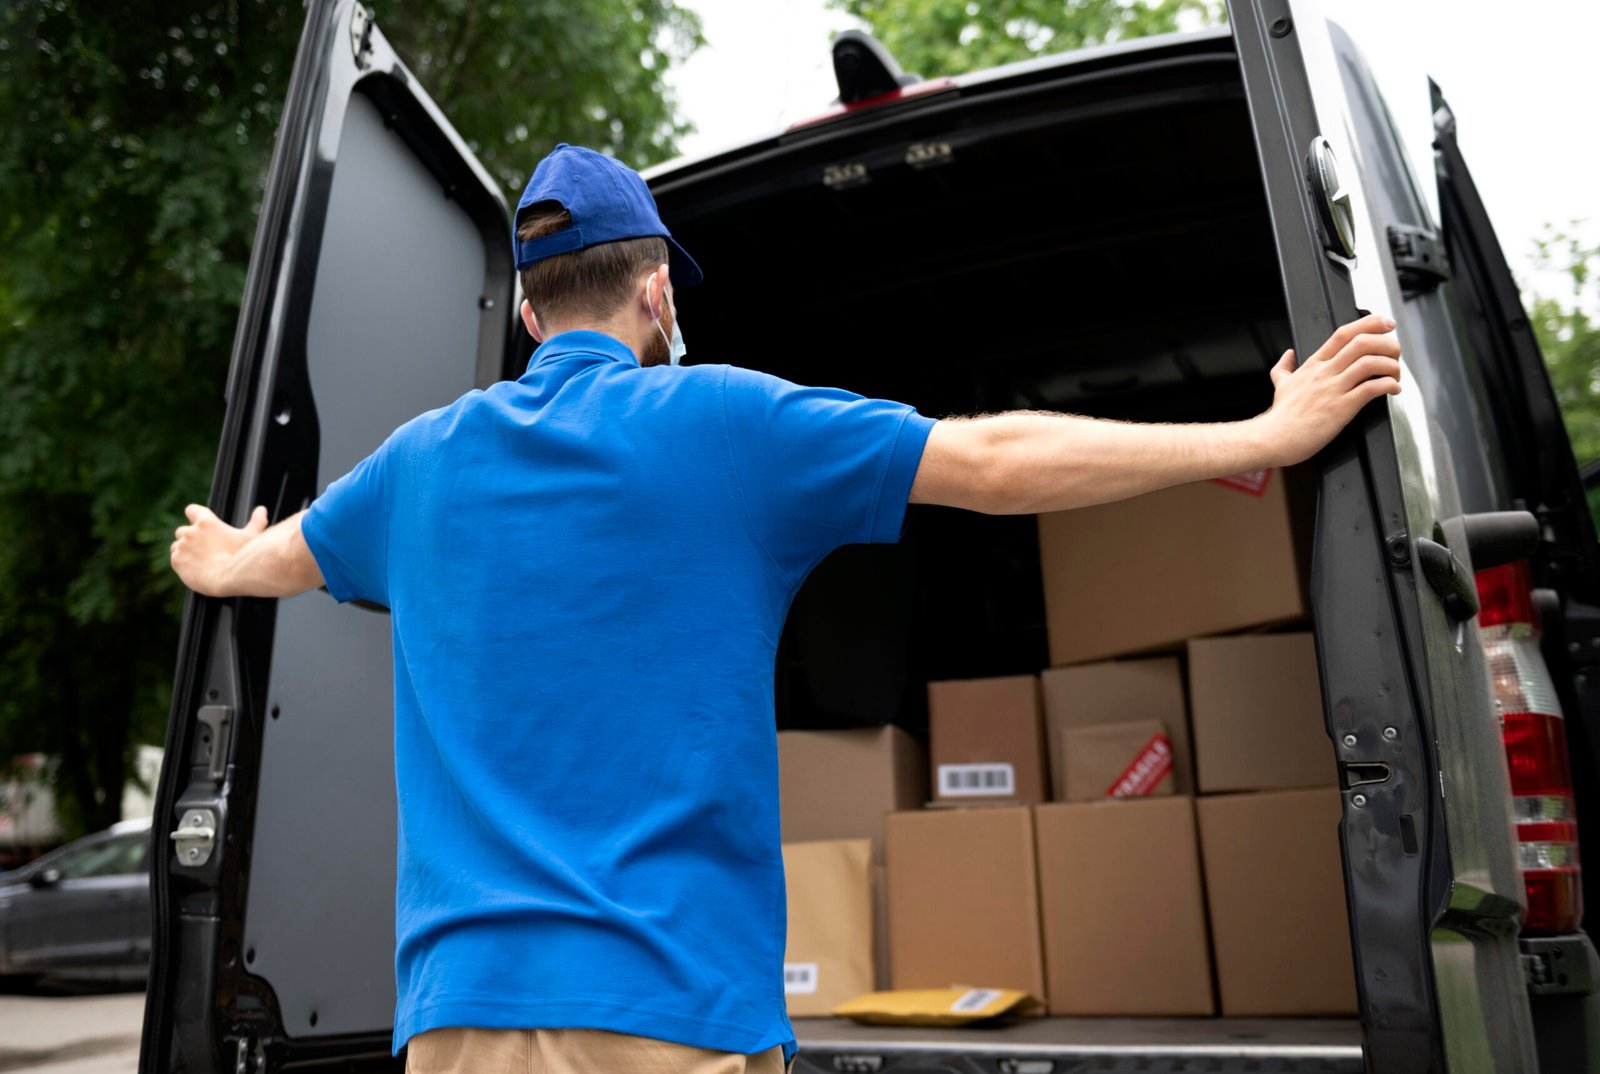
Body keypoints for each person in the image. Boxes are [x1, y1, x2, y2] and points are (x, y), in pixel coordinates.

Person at [169, 143, 1402, 1074]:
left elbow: (276, 562)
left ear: (531, 310)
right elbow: (996, 461)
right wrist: (1260, 434)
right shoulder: (720, 420)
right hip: (668, 1012)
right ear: (656, 291)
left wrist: (221, 556)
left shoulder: (415, 467)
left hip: (456, 1020)